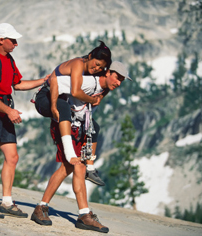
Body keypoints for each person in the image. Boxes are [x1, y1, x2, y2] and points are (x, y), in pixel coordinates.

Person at [31, 61, 132, 233]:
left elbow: (90, 106)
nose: (119, 83)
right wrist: (55, 106)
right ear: (108, 72)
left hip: (78, 124)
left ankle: (57, 210)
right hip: (64, 122)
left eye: (122, 80)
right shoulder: (86, 80)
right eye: (118, 77)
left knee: (69, 167)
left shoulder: (105, 88)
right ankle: (81, 215)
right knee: (74, 166)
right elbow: (56, 82)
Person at [0, 23, 49, 219]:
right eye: (12, 40)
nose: (16, 43)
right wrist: (9, 111)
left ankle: (6, 201)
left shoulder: (8, 59)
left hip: (4, 111)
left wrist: (44, 80)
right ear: (1, 40)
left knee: (12, 157)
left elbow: (17, 84)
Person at [34, 41, 112, 185]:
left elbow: (106, 85)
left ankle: (90, 168)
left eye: (101, 67)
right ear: (89, 56)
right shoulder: (78, 64)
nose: (96, 68)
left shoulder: (94, 70)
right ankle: (70, 153)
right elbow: (75, 91)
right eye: (96, 64)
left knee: (94, 127)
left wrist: (100, 96)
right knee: (63, 108)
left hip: (64, 101)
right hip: (46, 97)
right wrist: (92, 100)